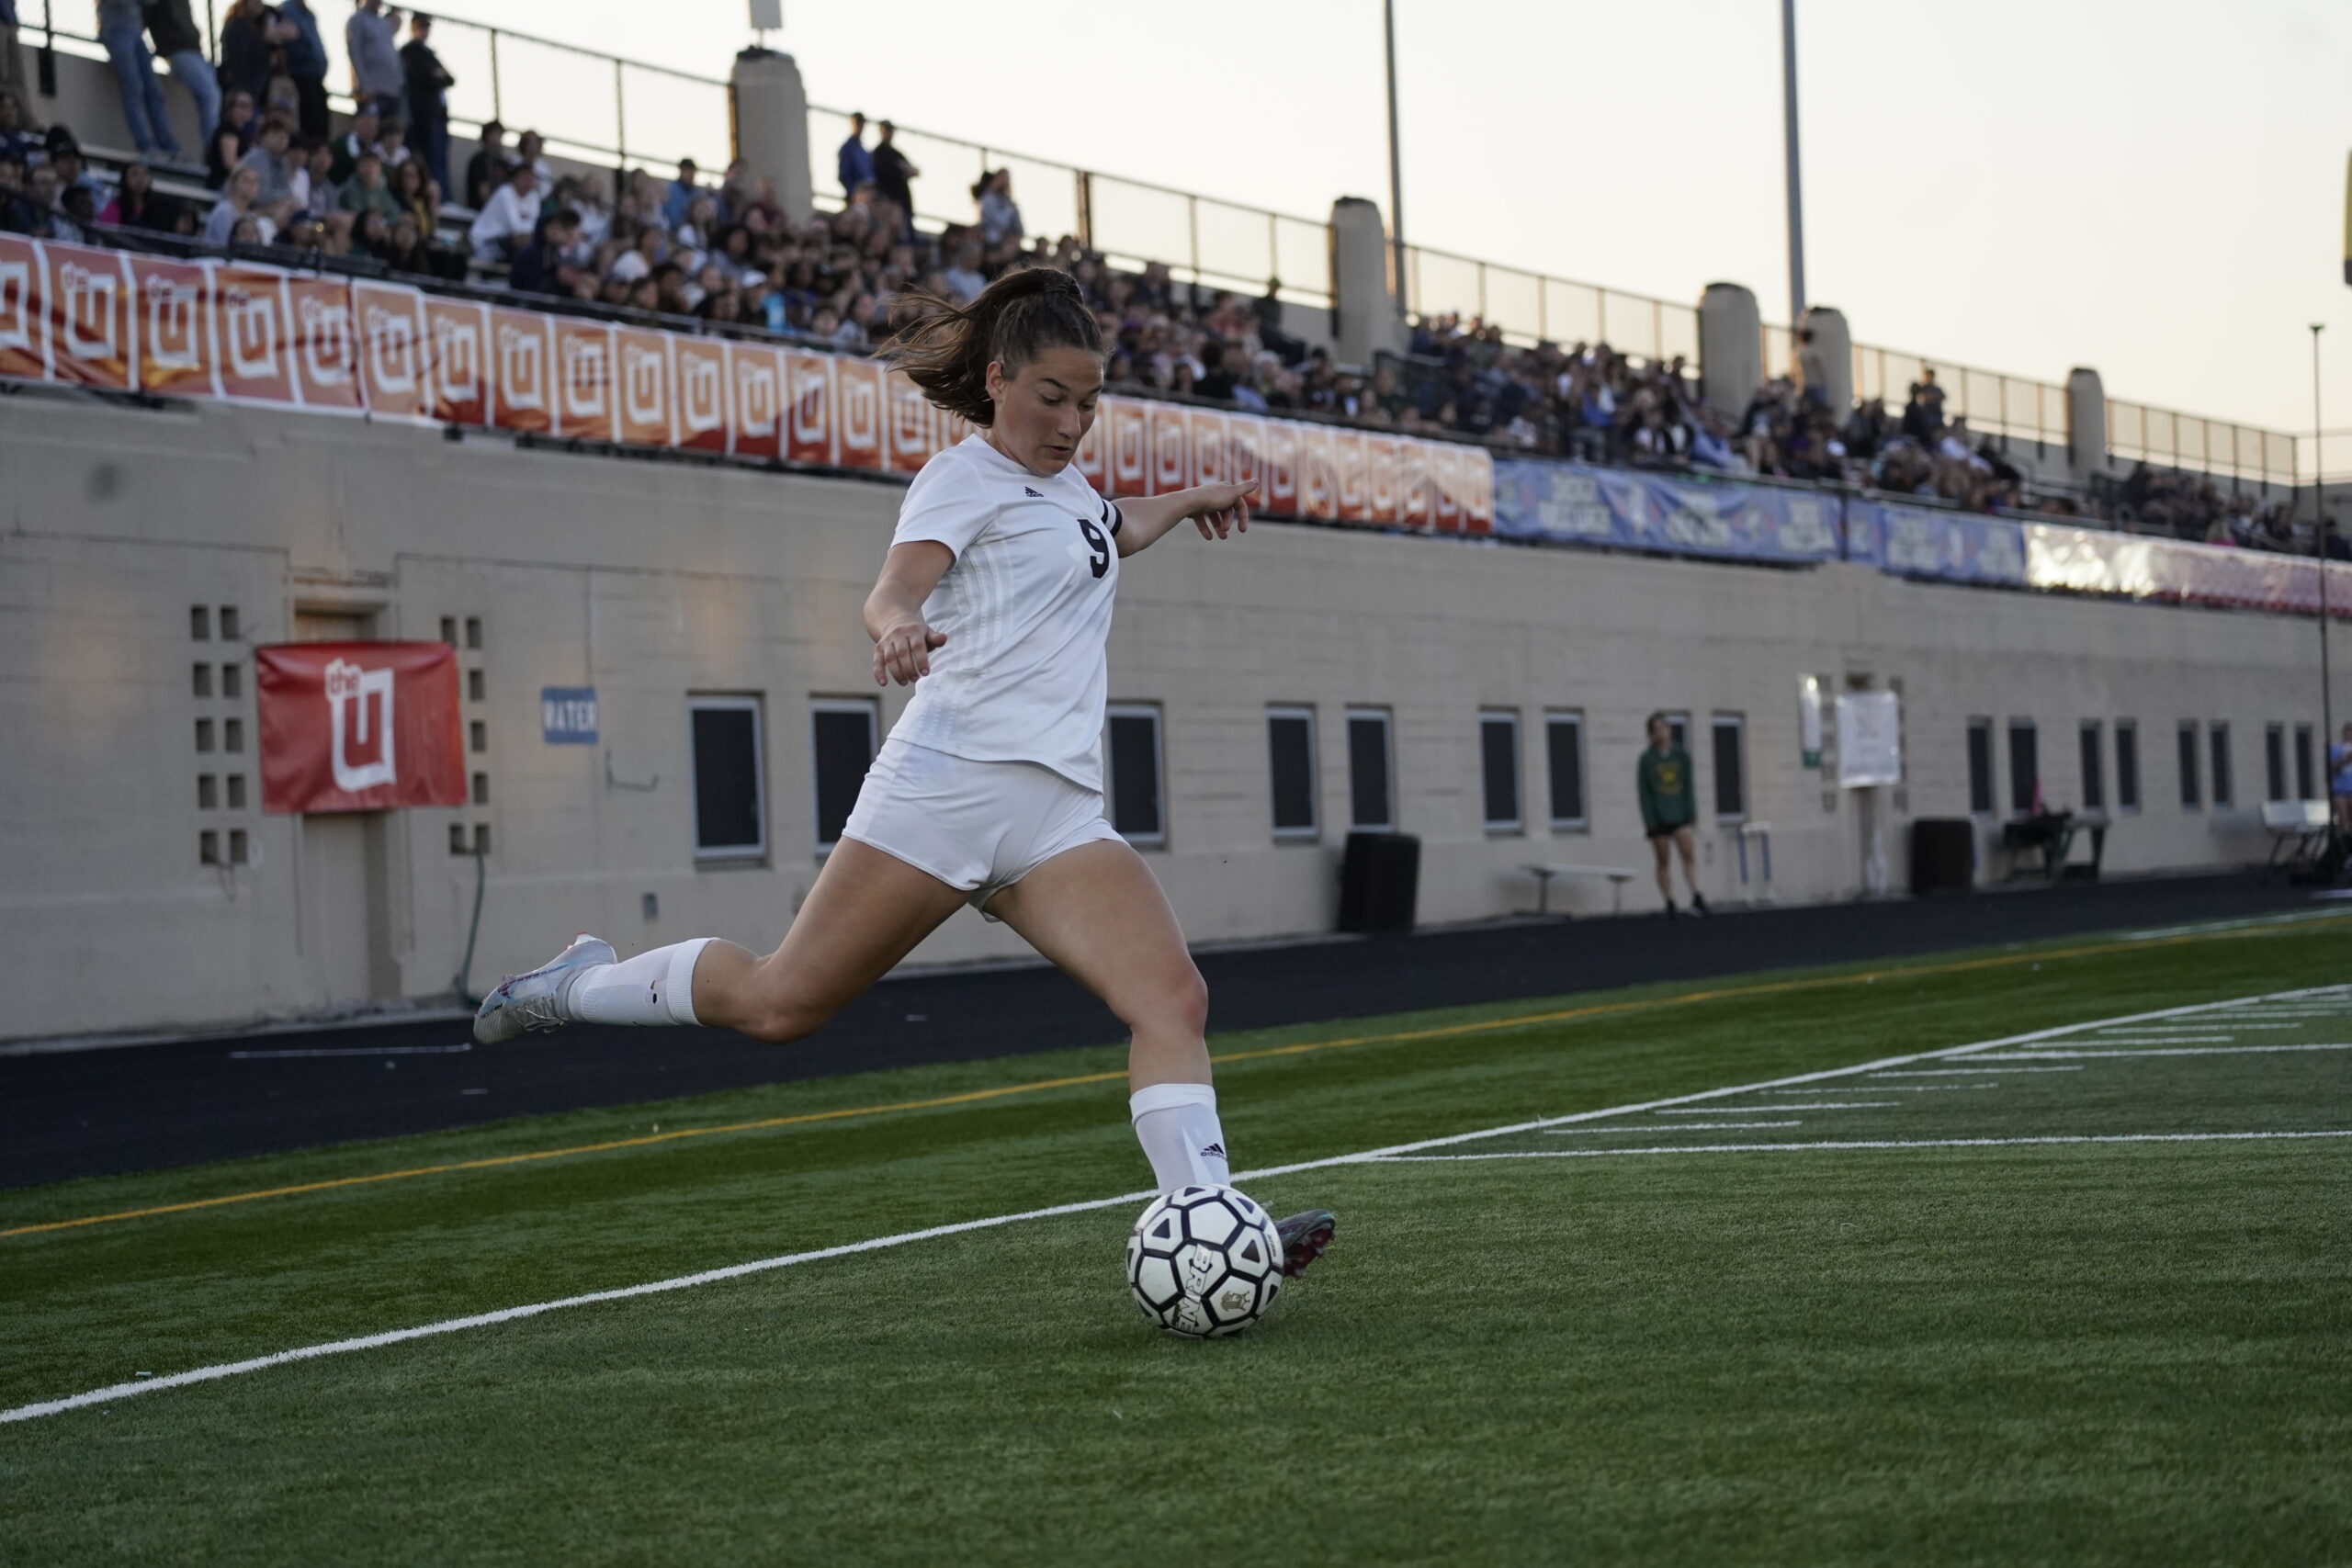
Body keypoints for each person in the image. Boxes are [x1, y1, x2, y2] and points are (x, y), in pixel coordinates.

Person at [470, 265, 1338, 1281]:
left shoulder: (1069, 491)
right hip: (948, 785)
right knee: (778, 1005)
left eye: (1090, 403)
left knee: (1171, 999)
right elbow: (891, 590)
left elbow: (1111, 530)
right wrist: (897, 632)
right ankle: (578, 984)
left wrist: (1189, 499)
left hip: (1056, 813)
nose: (1071, 423)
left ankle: (1210, 1222)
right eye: (1052, 398)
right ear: (1000, 377)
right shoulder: (960, 477)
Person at [1636, 711, 1707, 917]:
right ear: (1651, 734)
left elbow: (1689, 786)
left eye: (1664, 728)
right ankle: (1669, 900)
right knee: (1663, 860)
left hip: (1680, 815)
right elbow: (1644, 792)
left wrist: (1691, 812)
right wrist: (1650, 821)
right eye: (1656, 730)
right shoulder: (1647, 759)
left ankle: (1696, 894)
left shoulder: (1682, 755)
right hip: (1659, 818)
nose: (1661, 733)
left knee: (1688, 854)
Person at [97, 0, 183, 160]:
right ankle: (145, 145)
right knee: (133, 88)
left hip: (135, 33)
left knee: (154, 91)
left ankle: (168, 145)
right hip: (116, 31)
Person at [143, 0, 220, 152]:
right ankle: (213, 149)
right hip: (179, 51)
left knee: (215, 94)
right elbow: (144, 16)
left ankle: (215, 146)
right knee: (210, 95)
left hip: (194, 51)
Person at [399, 10, 451, 196]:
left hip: (438, 114)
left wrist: (436, 77)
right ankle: (434, 195)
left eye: (427, 26)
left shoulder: (429, 54)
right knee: (430, 159)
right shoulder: (410, 51)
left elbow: (450, 78)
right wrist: (436, 77)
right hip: (423, 115)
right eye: (420, 26)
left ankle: (443, 196)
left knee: (440, 158)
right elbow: (421, 77)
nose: (424, 30)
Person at [465, 157, 537, 260]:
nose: (528, 182)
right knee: (521, 241)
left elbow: (534, 225)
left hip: (505, 242)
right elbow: (515, 227)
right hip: (484, 242)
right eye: (524, 178)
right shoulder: (505, 193)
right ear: (514, 179)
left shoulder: (533, 196)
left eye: (531, 178)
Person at [345, 0, 402, 125]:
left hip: (390, 90)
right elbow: (354, 53)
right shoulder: (357, 20)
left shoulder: (383, 23)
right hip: (370, 90)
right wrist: (364, 83)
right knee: (370, 128)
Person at [871, 118, 917, 229]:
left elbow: (914, 170)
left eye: (890, 130)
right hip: (890, 204)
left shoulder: (896, 153)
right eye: (886, 130)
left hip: (903, 204)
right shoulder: (878, 153)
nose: (888, 133)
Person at [462, 118, 509, 209]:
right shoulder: (480, 160)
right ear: (487, 136)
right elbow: (483, 192)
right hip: (482, 211)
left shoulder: (504, 162)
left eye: (500, 135)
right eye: (495, 134)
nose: (498, 138)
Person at [836, 110, 872, 201]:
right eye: (857, 123)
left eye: (861, 123)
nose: (860, 126)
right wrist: (854, 192)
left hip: (866, 196)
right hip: (856, 197)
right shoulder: (848, 148)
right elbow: (844, 175)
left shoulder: (863, 151)